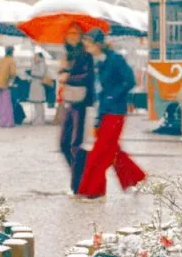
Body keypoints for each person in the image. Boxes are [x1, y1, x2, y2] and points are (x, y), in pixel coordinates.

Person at [76, 29, 146, 201]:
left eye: (89, 44)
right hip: (103, 111)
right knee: (112, 149)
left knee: (100, 151)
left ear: (98, 44)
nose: (87, 47)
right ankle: (136, 178)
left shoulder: (115, 59)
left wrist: (112, 94)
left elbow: (129, 80)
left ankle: (95, 190)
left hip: (115, 111)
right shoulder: (96, 62)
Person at [58, 24, 96, 194]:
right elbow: (61, 75)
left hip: (81, 102)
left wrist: (69, 77)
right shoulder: (67, 55)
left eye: (75, 33)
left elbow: (89, 78)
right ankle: (80, 176)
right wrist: (62, 70)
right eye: (69, 33)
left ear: (80, 36)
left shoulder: (86, 55)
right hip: (69, 100)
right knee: (64, 143)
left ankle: (77, 185)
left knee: (76, 145)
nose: (71, 36)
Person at [0, 46, 18, 128]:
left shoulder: (0, 61)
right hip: (6, 85)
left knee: (1, 105)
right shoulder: (11, 61)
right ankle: (9, 123)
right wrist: (11, 82)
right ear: (12, 52)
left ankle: (2, 122)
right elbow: (13, 73)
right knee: (7, 105)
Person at [27, 52, 48, 126]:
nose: (34, 58)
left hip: (38, 85)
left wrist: (32, 72)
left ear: (40, 57)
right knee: (37, 103)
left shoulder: (42, 64)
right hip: (35, 85)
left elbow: (41, 73)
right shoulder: (36, 63)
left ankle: (40, 120)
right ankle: (38, 119)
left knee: (39, 103)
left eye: (36, 56)